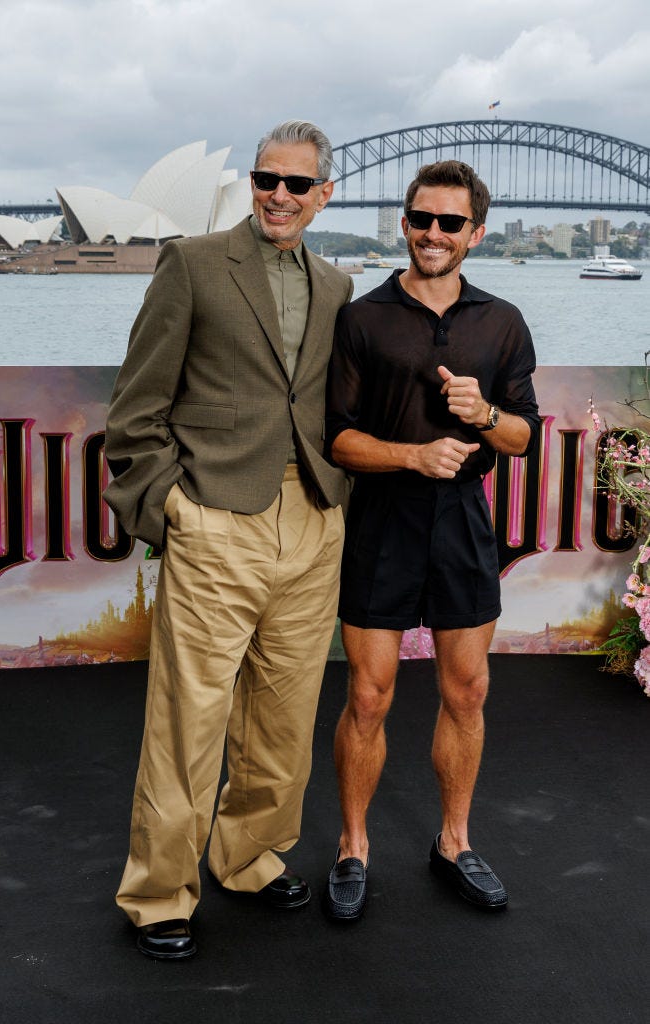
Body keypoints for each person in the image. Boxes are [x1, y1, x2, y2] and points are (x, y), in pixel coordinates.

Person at [103, 120, 353, 959]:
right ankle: (158, 894)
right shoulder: (194, 263)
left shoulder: (337, 284)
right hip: (215, 515)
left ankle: (248, 856)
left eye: (295, 184)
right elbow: (138, 407)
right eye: (264, 178)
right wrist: (171, 505)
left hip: (311, 519)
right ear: (252, 183)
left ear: (324, 194)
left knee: (284, 715)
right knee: (190, 717)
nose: (277, 195)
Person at [322, 160, 540, 921]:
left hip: (461, 523)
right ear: (405, 223)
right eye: (421, 219)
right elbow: (337, 440)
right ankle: (352, 846)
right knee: (369, 695)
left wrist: (481, 416)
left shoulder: (502, 321)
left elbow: (522, 438)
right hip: (381, 521)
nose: (433, 234)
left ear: (475, 234)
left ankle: (453, 841)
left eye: (451, 223)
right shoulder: (363, 318)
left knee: (467, 690)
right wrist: (411, 454)